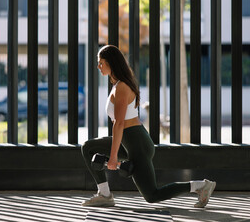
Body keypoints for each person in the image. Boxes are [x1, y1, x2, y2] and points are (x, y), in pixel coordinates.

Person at [81, 45, 216, 208]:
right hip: (128, 140)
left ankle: (200, 186)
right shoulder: (117, 85)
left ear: (111, 63)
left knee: (152, 195)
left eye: (101, 62)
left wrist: (113, 156)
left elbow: (119, 123)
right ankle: (104, 194)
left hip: (137, 144)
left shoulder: (122, 87)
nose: (98, 66)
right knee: (88, 147)